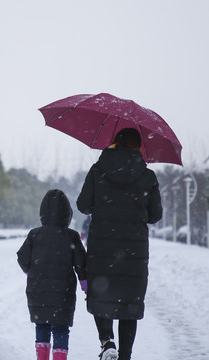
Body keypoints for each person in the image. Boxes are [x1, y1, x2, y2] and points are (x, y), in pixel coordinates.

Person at [76, 128, 162, 360]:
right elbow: (155, 216)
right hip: (134, 252)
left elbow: (83, 206)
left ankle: (107, 341)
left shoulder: (98, 170)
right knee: (129, 305)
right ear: (138, 147)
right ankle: (125, 355)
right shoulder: (148, 176)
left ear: (115, 142)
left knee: (101, 295)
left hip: (102, 249)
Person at [17, 189, 88, 360]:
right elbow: (81, 263)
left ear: (42, 212)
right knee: (61, 328)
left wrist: (30, 271)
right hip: (63, 291)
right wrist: (85, 285)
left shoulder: (35, 234)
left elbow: (22, 257)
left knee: (41, 326)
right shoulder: (71, 236)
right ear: (67, 214)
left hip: (38, 288)